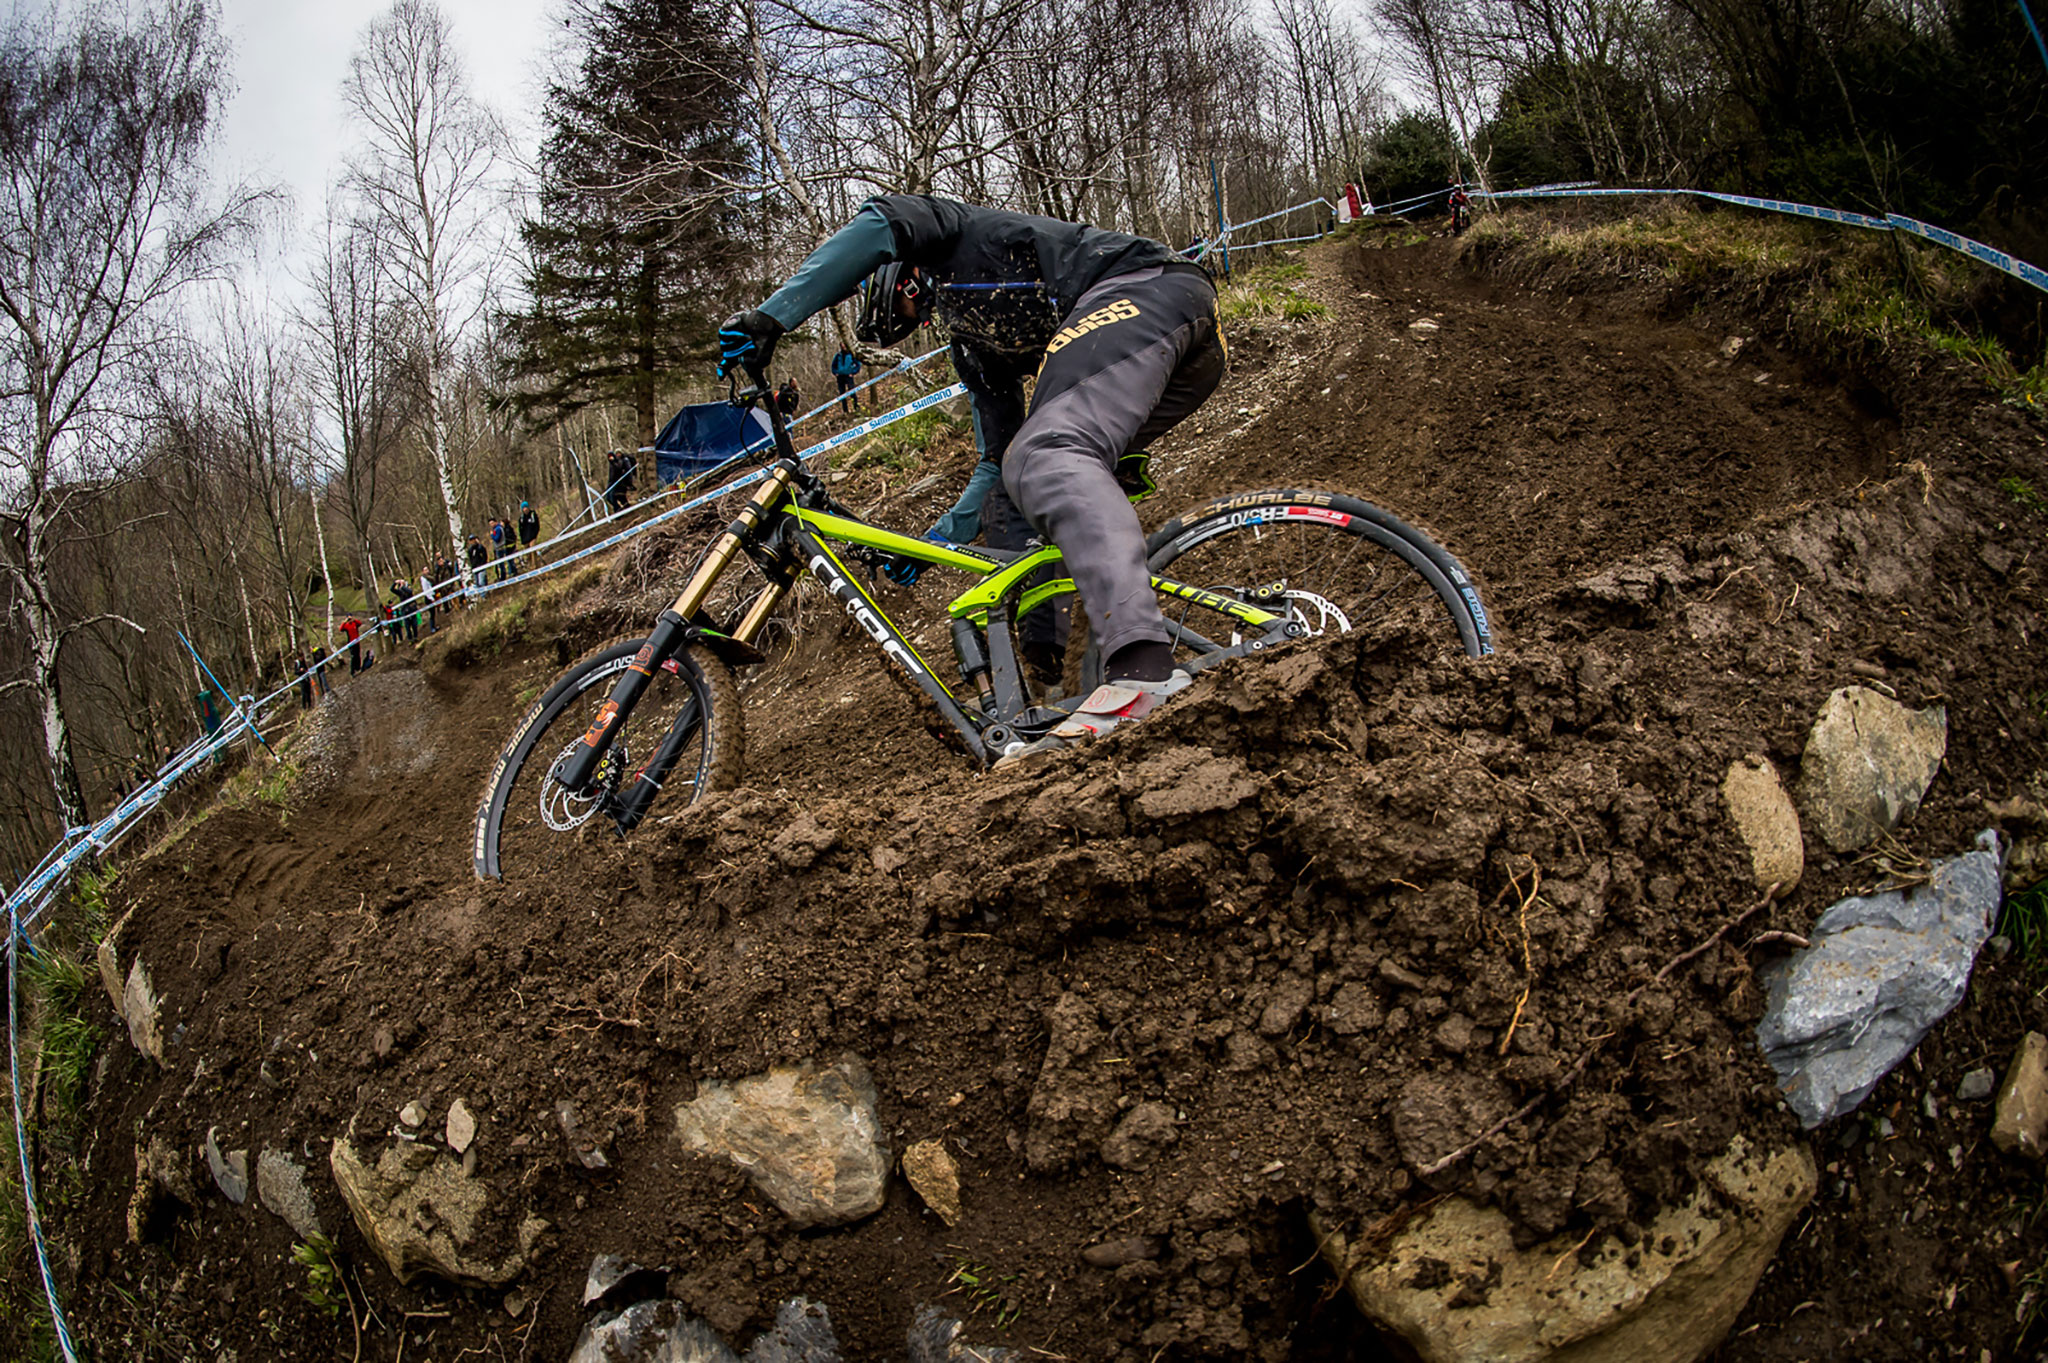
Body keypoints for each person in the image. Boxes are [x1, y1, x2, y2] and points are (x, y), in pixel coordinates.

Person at [719, 194, 1226, 755]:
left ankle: (1143, 670)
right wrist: (934, 541)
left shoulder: (946, 233)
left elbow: (881, 223)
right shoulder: (973, 347)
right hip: (1175, 343)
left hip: (1146, 289)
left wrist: (775, 314)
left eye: (909, 313)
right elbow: (997, 459)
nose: (917, 321)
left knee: (1051, 453)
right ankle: (1081, 666)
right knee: (1028, 469)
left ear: (903, 280)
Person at [831, 347, 864, 413]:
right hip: (840, 376)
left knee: (852, 391)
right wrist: (835, 372)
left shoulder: (851, 354)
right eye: (842, 345)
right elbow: (833, 366)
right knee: (842, 393)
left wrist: (853, 372)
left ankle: (856, 407)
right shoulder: (838, 355)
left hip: (848, 376)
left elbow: (858, 365)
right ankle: (845, 411)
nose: (843, 347)